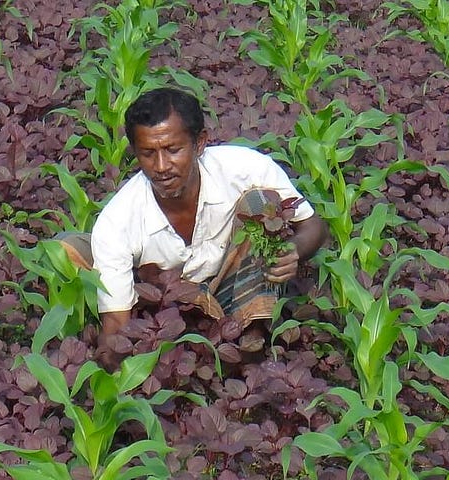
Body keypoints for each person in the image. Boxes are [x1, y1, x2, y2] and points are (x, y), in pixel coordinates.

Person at [56, 87, 328, 341]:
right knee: (65, 250)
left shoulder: (247, 170)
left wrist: (294, 249)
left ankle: (251, 332)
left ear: (200, 144)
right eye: (148, 153)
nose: (161, 166)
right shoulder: (118, 220)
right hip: (167, 299)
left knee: (259, 202)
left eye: (173, 150)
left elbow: (313, 225)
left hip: (233, 278)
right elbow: (116, 326)